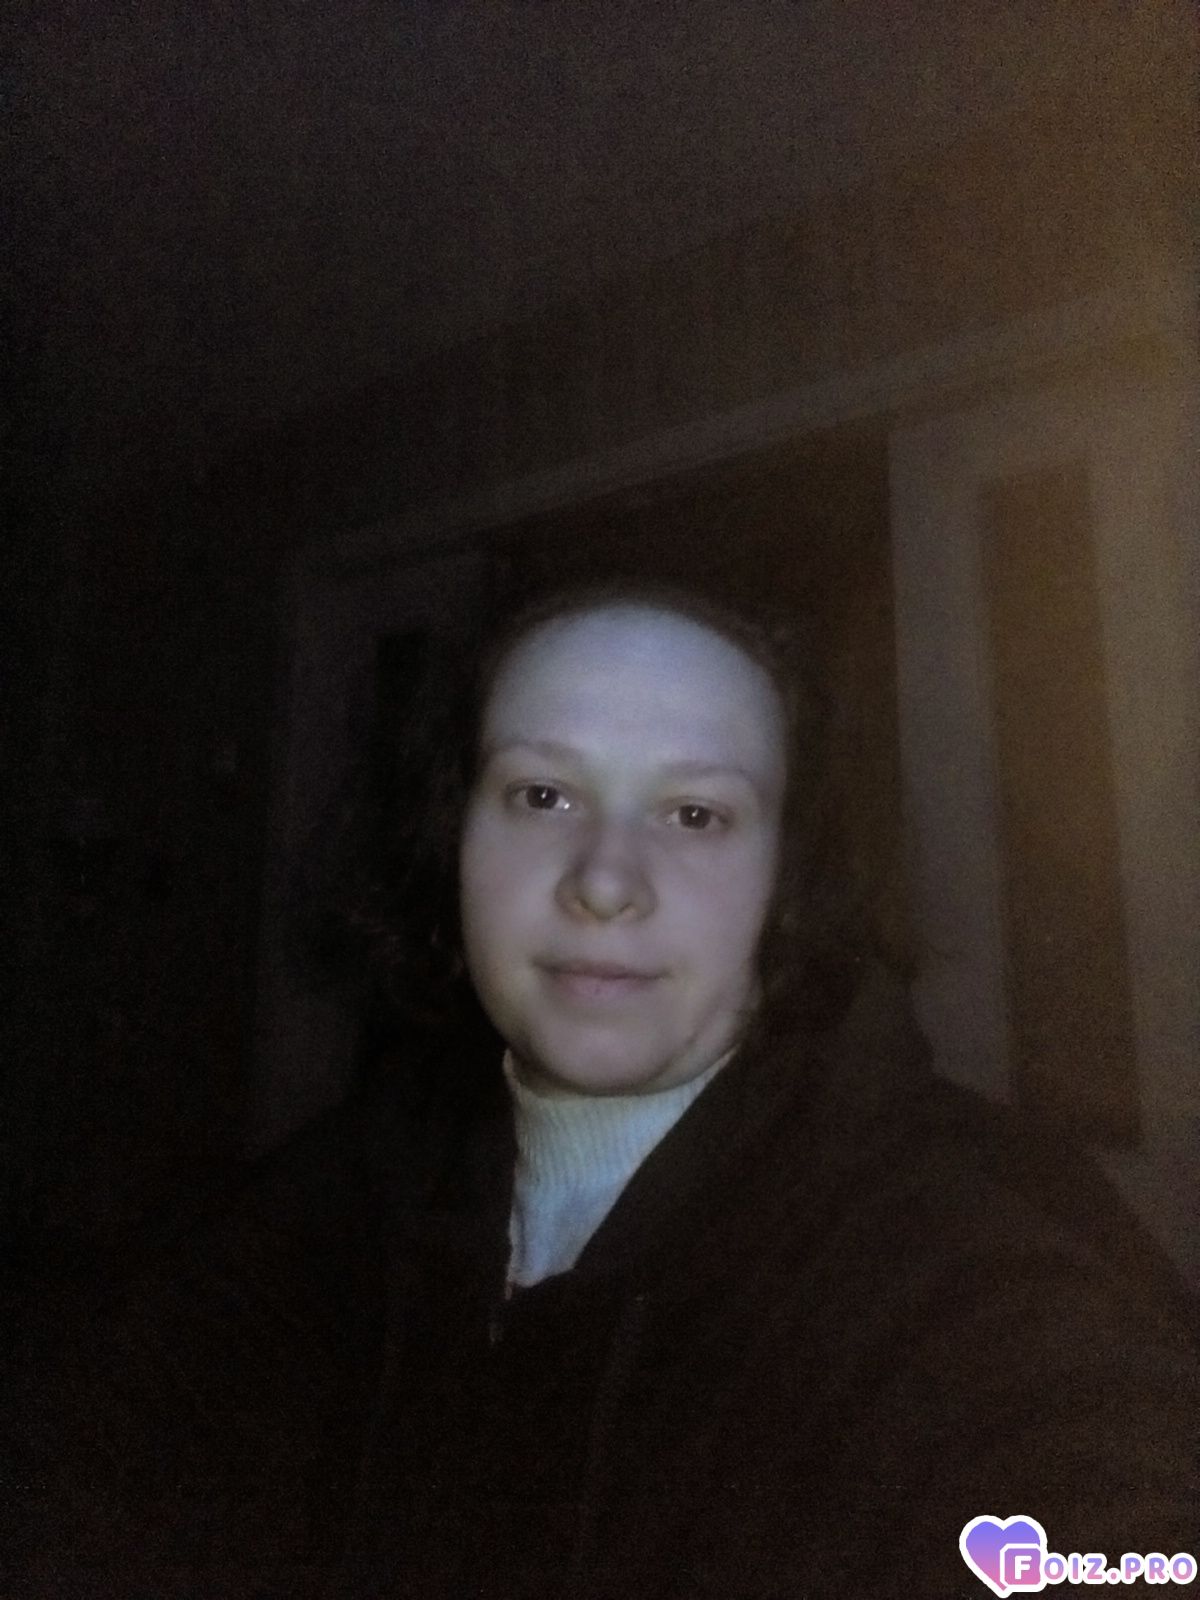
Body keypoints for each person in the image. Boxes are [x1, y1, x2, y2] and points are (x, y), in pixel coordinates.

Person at [7, 577, 1197, 1599]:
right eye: (542, 794)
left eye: (696, 812)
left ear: (785, 875)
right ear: (453, 833)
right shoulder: (351, 1181)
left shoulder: (971, 1246)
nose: (607, 881)